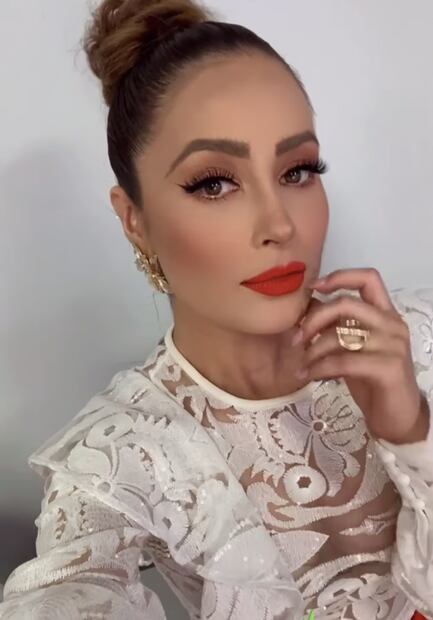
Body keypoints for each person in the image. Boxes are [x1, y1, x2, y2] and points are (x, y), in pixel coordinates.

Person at [1, 0, 432, 618]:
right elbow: (70, 590)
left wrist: (413, 429)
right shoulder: (120, 458)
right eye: (214, 183)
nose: (279, 224)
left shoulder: (417, 337)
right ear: (135, 220)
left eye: (298, 170)